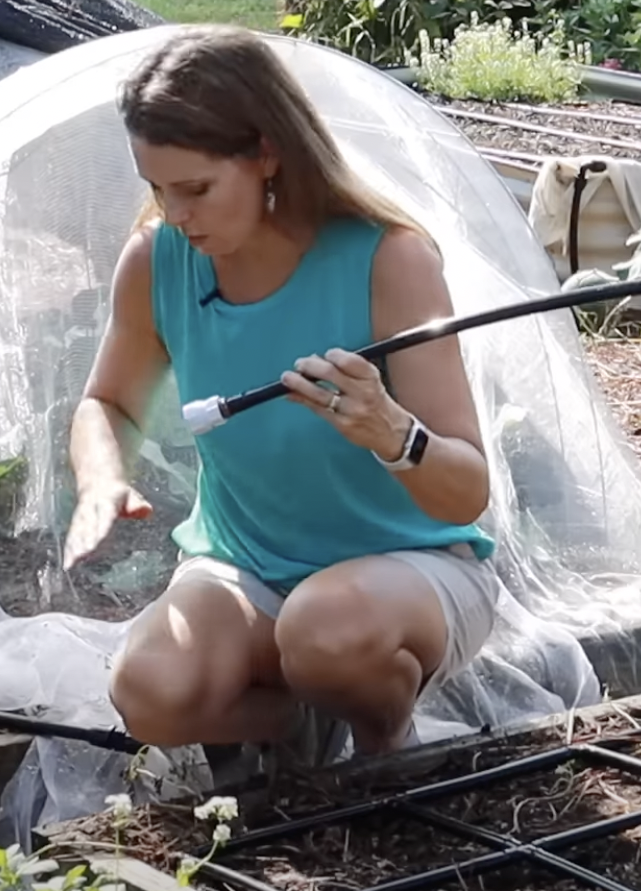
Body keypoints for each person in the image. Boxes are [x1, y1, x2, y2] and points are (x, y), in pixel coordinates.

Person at [60, 24, 501, 764]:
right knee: (150, 692)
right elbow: (108, 402)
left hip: (410, 574)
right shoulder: (158, 261)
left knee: (323, 633)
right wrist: (101, 479)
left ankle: (383, 739)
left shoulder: (389, 261)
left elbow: (466, 495)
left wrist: (394, 432)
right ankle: (297, 729)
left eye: (196, 189)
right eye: (157, 189)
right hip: (248, 565)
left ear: (267, 152)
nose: (175, 215)